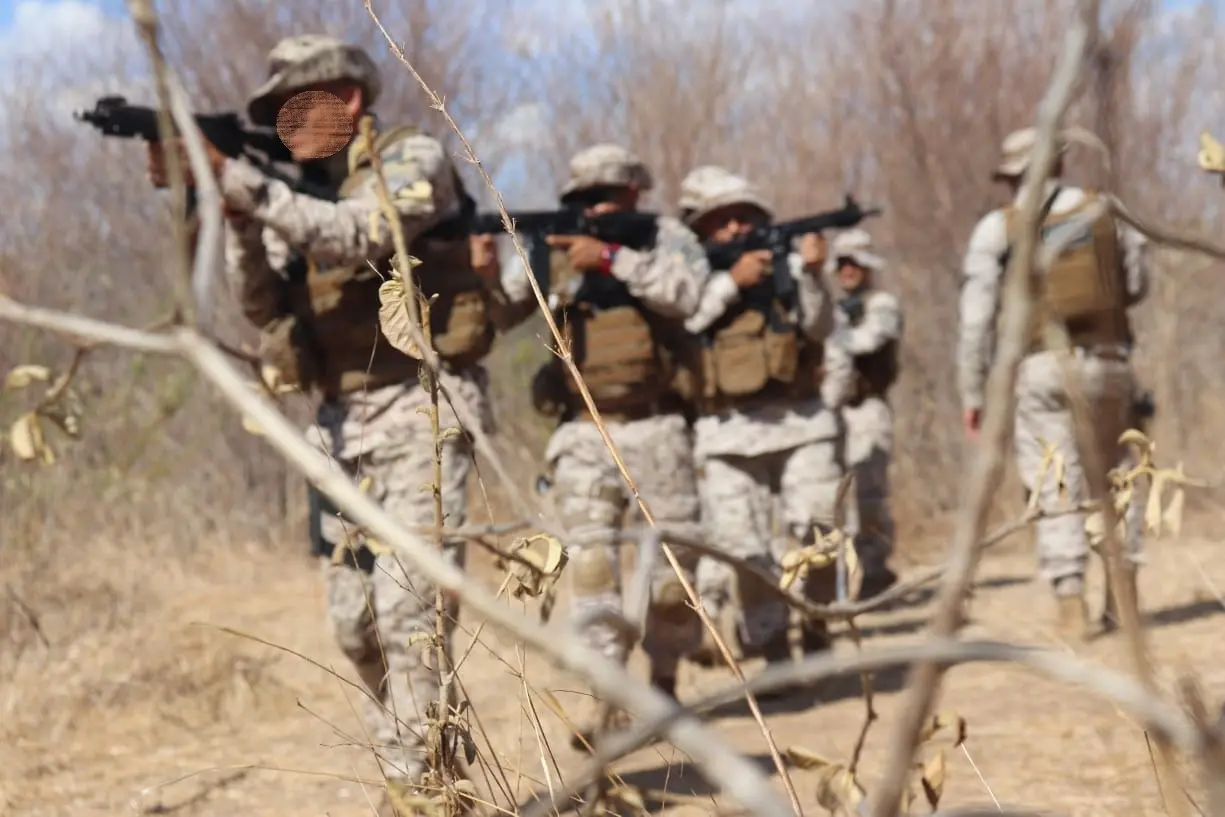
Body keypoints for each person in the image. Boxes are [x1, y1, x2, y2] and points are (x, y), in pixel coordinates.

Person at [146, 34, 497, 814]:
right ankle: (419, 753)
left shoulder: (412, 161)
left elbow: (368, 235)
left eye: (297, 107)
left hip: (424, 410)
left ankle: (422, 790)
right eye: (274, 114)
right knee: (355, 627)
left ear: (349, 101)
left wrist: (244, 180)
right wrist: (235, 213)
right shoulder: (291, 193)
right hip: (340, 426)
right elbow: (263, 305)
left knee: (412, 616)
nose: (285, 125)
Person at [470, 144, 710, 745]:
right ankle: (607, 700)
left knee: (673, 578)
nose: (598, 206)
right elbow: (504, 313)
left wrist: (610, 259)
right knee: (594, 565)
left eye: (610, 196)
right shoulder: (549, 247)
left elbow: (689, 296)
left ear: (634, 194)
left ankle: (664, 680)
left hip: (657, 428)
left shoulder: (664, 238)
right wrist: (482, 270)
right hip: (582, 432)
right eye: (586, 199)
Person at [956, 126, 1151, 641]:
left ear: (1011, 176)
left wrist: (974, 394)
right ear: (1060, 164)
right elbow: (1136, 282)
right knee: (1118, 478)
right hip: (1108, 362)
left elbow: (975, 323)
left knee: (1054, 479)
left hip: (1039, 368)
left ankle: (1070, 601)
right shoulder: (1104, 209)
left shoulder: (997, 228)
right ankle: (1122, 594)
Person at [676, 166, 855, 669]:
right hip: (727, 432)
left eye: (744, 217)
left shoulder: (789, 266)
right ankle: (772, 650)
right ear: (700, 231)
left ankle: (817, 624)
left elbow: (820, 328)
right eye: (721, 221)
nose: (735, 229)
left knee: (821, 533)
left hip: (802, 421)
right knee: (745, 552)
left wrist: (815, 273)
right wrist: (732, 283)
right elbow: (684, 324)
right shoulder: (688, 276)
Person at [827, 228, 903, 598]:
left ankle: (875, 568)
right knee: (836, 496)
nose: (848, 270)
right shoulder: (835, 308)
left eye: (855, 263)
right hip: (836, 410)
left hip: (868, 409)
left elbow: (868, 341)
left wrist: (832, 342)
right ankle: (849, 573)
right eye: (842, 263)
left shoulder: (882, 304)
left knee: (869, 493)